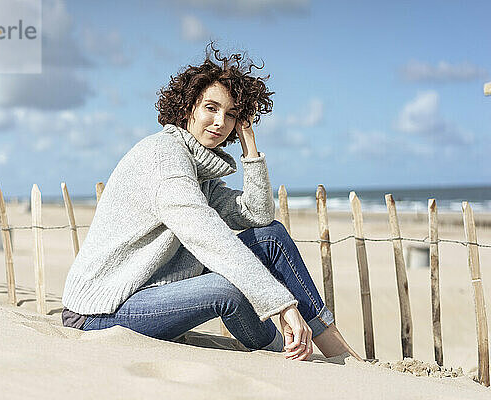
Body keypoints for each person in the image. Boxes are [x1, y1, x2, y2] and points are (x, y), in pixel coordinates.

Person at [62, 43, 361, 361]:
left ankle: (335, 350)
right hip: (99, 313)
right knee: (226, 289)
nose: (221, 121)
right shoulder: (165, 155)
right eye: (211, 108)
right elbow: (205, 232)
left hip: (149, 294)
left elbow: (258, 215)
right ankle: (283, 355)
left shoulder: (200, 173)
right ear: (188, 106)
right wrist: (282, 303)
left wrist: (250, 147)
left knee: (271, 236)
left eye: (231, 114)